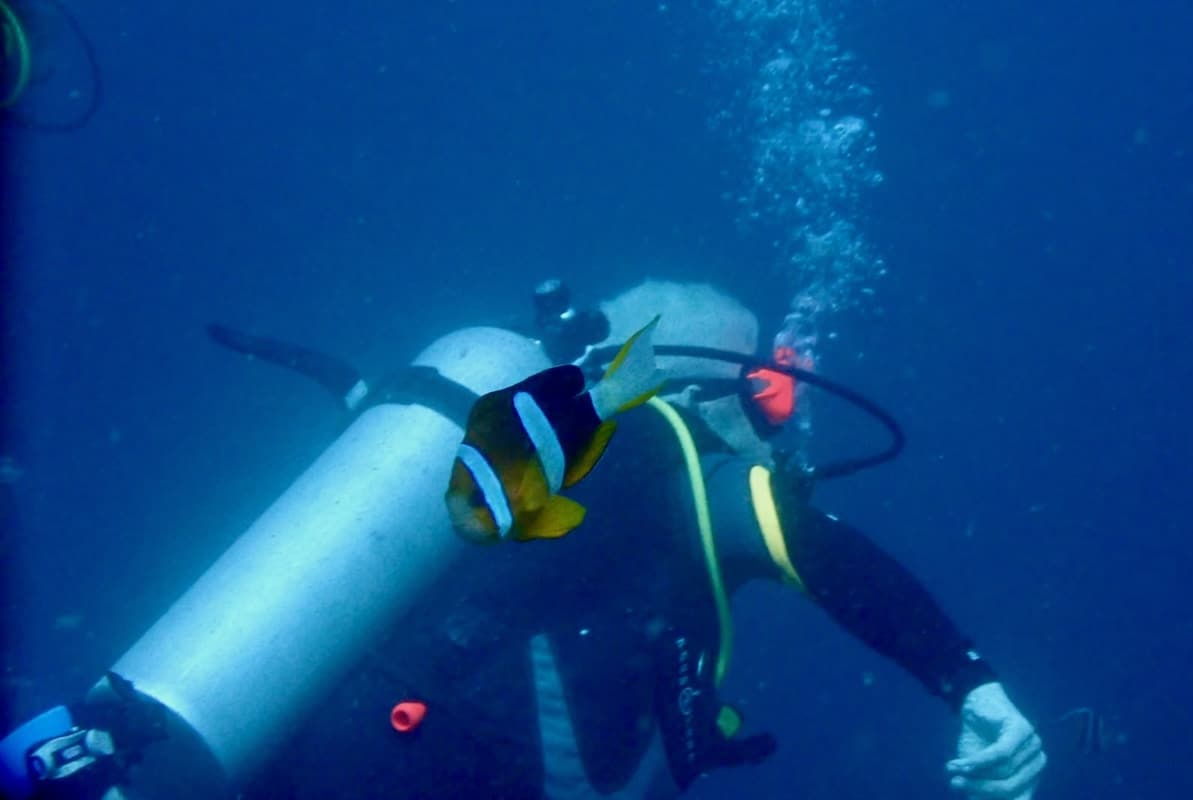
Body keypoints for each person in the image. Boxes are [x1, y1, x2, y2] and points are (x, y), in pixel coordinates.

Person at [1, 279, 1046, 800]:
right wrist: (973, 683)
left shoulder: (522, 430)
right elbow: (821, 550)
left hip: (297, 726)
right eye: (766, 402)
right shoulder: (671, 443)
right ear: (713, 382)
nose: (775, 430)